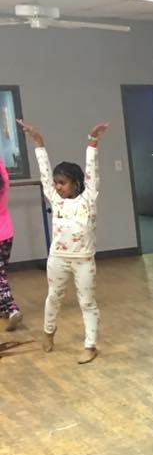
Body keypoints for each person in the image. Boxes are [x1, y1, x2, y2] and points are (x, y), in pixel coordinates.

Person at [18, 119, 107, 363]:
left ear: (76, 184)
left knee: (87, 301)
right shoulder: (55, 200)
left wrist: (93, 142)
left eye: (62, 183)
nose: (57, 187)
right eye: (56, 183)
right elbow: (44, 172)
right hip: (58, 257)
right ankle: (48, 332)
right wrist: (38, 142)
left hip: (84, 260)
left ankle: (90, 345)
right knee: (54, 296)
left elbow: (93, 170)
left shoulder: (89, 198)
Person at [0, 154, 21, 330]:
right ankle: (3, 307)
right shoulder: (4, 180)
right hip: (6, 234)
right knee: (1, 272)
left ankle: (12, 308)